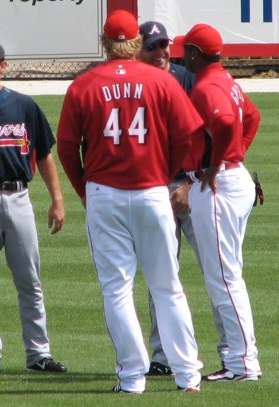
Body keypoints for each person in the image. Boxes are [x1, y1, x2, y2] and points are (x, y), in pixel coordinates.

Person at [57, 10, 204, 394]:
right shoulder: (162, 80)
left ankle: (132, 377)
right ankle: (188, 374)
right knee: (167, 286)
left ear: (104, 43)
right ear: (136, 43)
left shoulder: (84, 84)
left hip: (105, 194)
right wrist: (166, 171)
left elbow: (68, 148)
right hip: (152, 191)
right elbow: (190, 136)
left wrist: (84, 190)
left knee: (117, 289)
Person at [0, 39, 67, 374]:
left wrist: (57, 200)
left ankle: (39, 354)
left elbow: (45, 154)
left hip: (20, 196)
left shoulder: (24, 105)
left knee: (29, 279)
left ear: (3, 65)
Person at [138, 20, 227, 377]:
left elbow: (205, 136)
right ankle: (162, 356)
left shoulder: (185, 78)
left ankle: (232, 354)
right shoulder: (131, 84)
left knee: (217, 270)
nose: (161, 52)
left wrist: (192, 184)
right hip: (151, 188)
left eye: (165, 45)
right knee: (161, 273)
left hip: (191, 185)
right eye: (154, 46)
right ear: (138, 49)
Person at [174, 23, 262, 381]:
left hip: (218, 185)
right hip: (233, 178)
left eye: (186, 50)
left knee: (224, 279)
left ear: (195, 53)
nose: (182, 55)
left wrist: (217, 163)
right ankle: (238, 361)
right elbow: (252, 116)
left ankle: (244, 364)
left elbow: (226, 120)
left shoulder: (207, 86)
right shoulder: (226, 80)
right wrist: (234, 156)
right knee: (228, 276)